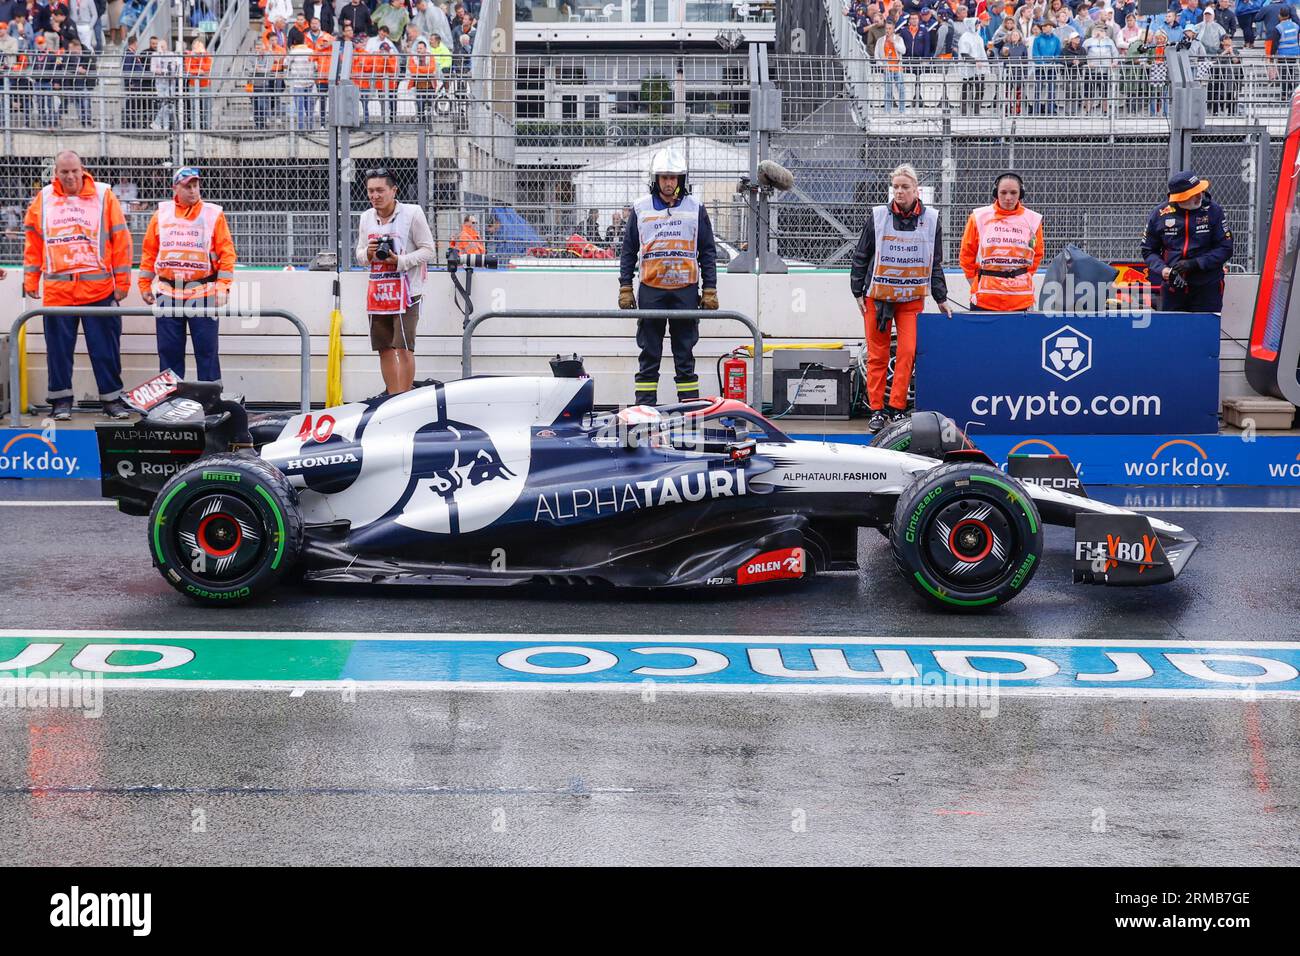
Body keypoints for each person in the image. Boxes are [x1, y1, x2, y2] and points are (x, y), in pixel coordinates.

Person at [22, 149, 133, 420]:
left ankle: (111, 400)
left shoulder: (104, 195)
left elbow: (121, 241)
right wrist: (30, 279)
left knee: (105, 350)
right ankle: (60, 401)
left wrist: (123, 282)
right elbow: (33, 243)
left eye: (74, 171)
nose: (70, 176)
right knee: (58, 352)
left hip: (99, 290)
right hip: (58, 292)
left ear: (82, 170)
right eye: (64, 172)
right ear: (55, 173)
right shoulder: (44, 199)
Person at [850, 164, 951, 434]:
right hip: (877, 297)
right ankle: (877, 411)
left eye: (905, 187)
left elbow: (935, 262)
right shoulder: (878, 216)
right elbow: (861, 254)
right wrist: (857, 290)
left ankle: (896, 408)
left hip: (910, 298)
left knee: (906, 353)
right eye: (895, 187)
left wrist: (941, 297)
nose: (899, 192)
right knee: (877, 355)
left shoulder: (931, 219)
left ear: (917, 190)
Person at [618, 148, 717, 406]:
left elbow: (707, 251)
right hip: (651, 291)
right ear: (656, 179)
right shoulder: (640, 208)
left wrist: (710, 289)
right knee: (649, 355)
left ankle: (688, 412)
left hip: (685, 290)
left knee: (684, 356)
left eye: (674, 177)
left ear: (682, 179)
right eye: (664, 177)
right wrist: (625, 287)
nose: (669, 182)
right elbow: (628, 251)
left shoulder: (696, 208)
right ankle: (644, 409)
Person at [137, 167, 237, 382]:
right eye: (187, 186)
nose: (193, 190)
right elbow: (149, 252)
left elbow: (227, 254)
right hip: (167, 293)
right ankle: (170, 402)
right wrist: (144, 284)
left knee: (207, 354)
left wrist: (223, 287)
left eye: (195, 185)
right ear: (175, 188)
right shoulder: (161, 215)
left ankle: (211, 404)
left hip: (202, 293)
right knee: (169, 354)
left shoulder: (213, 214)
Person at [354, 168, 437, 396]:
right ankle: (392, 397)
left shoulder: (412, 213)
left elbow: (428, 250)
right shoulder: (366, 217)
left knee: (403, 347)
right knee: (384, 348)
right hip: (378, 294)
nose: (375, 196)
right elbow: (360, 254)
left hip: (407, 293)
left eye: (380, 190)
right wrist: (369, 254)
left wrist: (400, 260)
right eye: (371, 191)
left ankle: (405, 398)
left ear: (393, 190)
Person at [1141, 170, 1233, 312]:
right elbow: (1148, 251)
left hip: (1207, 288)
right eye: (1193, 194)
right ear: (1179, 199)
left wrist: (1196, 263)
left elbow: (1225, 248)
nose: (1199, 196)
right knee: (1174, 332)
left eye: (1200, 191)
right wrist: (1165, 271)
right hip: (1173, 289)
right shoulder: (1159, 214)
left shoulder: (1214, 211)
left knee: (1204, 332)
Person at [959, 172, 1045, 312]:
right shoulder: (978, 217)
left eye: (1013, 192)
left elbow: (1037, 254)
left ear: (1020, 194)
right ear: (996, 193)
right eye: (1003, 192)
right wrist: (975, 282)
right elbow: (966, 254)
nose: (1008, 197)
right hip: (985, 299)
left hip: (1021, 299)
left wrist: (1021, 276)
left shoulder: (1032, 220)